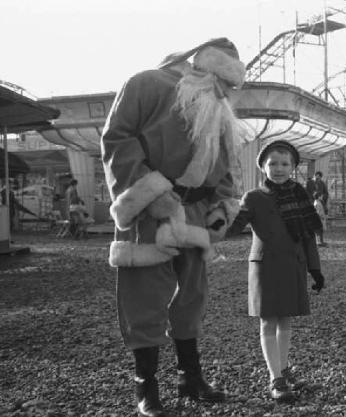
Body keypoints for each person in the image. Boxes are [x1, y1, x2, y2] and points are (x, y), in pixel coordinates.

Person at [101, 38, 246, 416]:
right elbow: (116, 138)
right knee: (145, 297)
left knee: (192, 296)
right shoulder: (147, 84)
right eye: (225, 84)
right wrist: (149, 194)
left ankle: (190, 377)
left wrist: (221, 208)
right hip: (150, 208)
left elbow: (227, 166)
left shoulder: (218, 109)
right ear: (206, 71)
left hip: (197, 212)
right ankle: (146, 388)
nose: (228, 93)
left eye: (231, 88)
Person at [227, 140, 325, 401]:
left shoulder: (300, 196)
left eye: (284, 163)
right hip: (266, 266)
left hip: (293, 264)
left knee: (286, 320)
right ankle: (276, 378)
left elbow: (307, 237)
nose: (278, 168)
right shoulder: (253, 197)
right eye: (272, 163)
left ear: (293, 167)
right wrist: (217, 214)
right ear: (263, 167)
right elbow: (233, 227)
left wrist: (315, 269)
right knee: (269, 320)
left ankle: (283, 368)